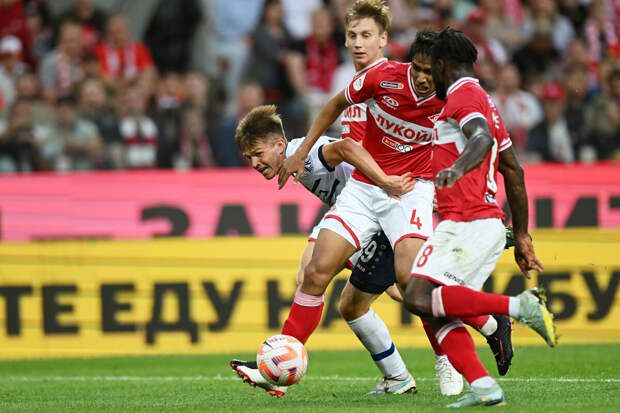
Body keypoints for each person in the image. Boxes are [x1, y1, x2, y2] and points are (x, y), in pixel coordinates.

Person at [278, 0, 512, 397]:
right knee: (316, 272)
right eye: (416, 68)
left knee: (413, 284)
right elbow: (335, 106)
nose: (421, 78)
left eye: (429, 71)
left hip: (409, 193)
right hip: (363, 191)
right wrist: (301, 153)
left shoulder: (454, 99)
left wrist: (465, 199)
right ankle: (282, 361)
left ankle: (484, 328)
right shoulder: (382, 77)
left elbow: (482, 148)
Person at [402, 28, 557, 408]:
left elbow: (481, 138)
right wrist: (521, 234)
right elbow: (514, 170)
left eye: (431, 69)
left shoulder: (462, 95)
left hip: (467, 221)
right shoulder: (485, 100)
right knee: (436, 308)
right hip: (479, 222)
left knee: (418, 296)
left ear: (442, 65)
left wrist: (456, 169)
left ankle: (518, 308)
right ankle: (484, 386)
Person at [230, 104, 416, 397]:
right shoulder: (296, 158)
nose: (254, 163)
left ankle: (476, 319)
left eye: (258, 153)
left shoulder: (307, 155)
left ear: (279, 145)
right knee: (314, 279)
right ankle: (281, 365)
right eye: (248, 157)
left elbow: (346, 147)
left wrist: (383, 181)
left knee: (409, 295)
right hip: (351, 217)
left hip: (375, 216)